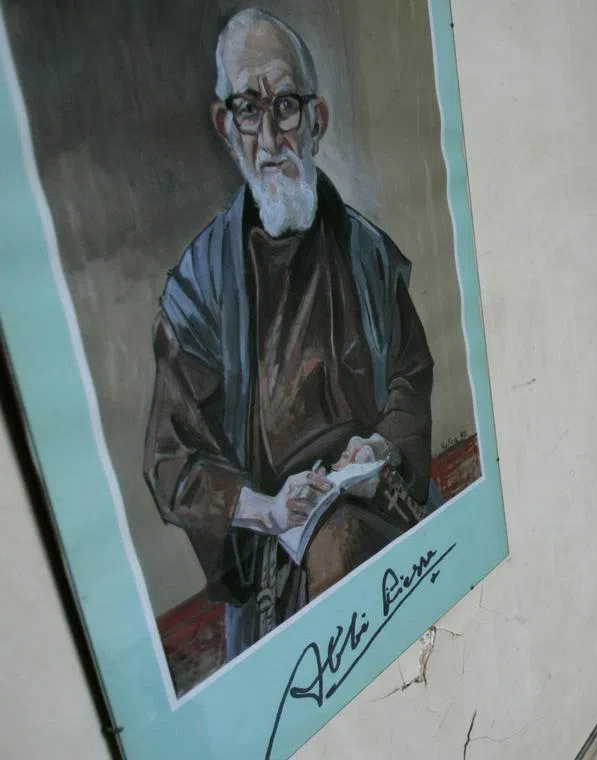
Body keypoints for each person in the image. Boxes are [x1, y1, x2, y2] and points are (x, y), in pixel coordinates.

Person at [143, 8, 435, 659]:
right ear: (226, 126)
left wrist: (383, 446)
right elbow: (173, 463)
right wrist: (262, 507)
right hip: (279, 552)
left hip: (380, 502)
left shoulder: (368, 255)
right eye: (249, 108)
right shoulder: (199, 290)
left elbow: (413, 376)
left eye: (287, 106)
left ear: (318, 120)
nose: (271, 134)